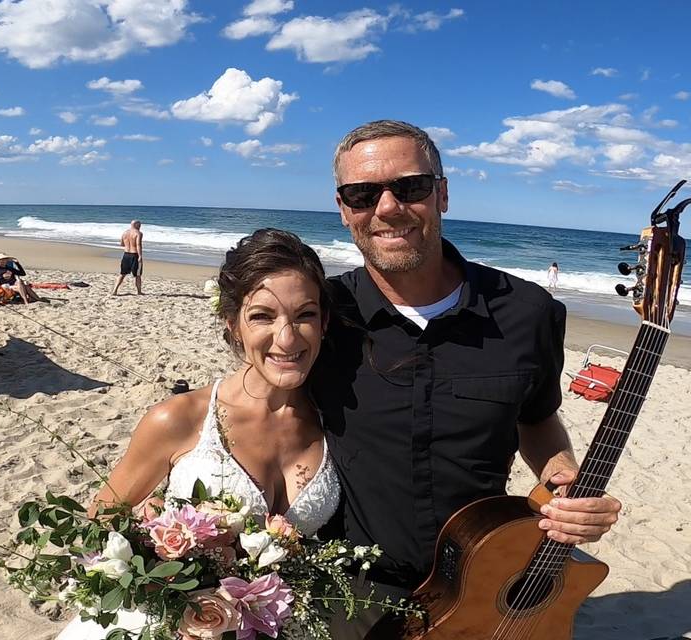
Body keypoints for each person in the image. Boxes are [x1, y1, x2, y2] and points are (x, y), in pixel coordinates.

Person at [312, 120, 622, 637]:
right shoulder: (322, 316)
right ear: (344, 210)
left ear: (443, 194)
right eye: (362, 194)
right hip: (352, 589)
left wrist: (563, 480)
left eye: (410, 186)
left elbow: (537, 419)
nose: (387, 208)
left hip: (487, 580)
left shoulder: (529, 312)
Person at [55, 229, 341, 639]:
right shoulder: (181, 419)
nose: (287, 337)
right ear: (232, 324)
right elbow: (94, 529)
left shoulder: (336, 424)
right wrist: (157, 567)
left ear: (324, 322)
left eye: (305, 315)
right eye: (262, 315)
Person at [112, 220, 144, 295]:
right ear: (136, 225)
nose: (140, 227)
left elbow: (122, 244)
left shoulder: (125, 233)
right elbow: (138, 245)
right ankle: (139, 291)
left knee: (122, 273)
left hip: (126, 255)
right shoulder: (138, 233)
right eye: (139, 225)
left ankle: (115, 290)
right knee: (138, 275)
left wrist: (128, 245)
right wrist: (140, 256)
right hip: (134, 254)